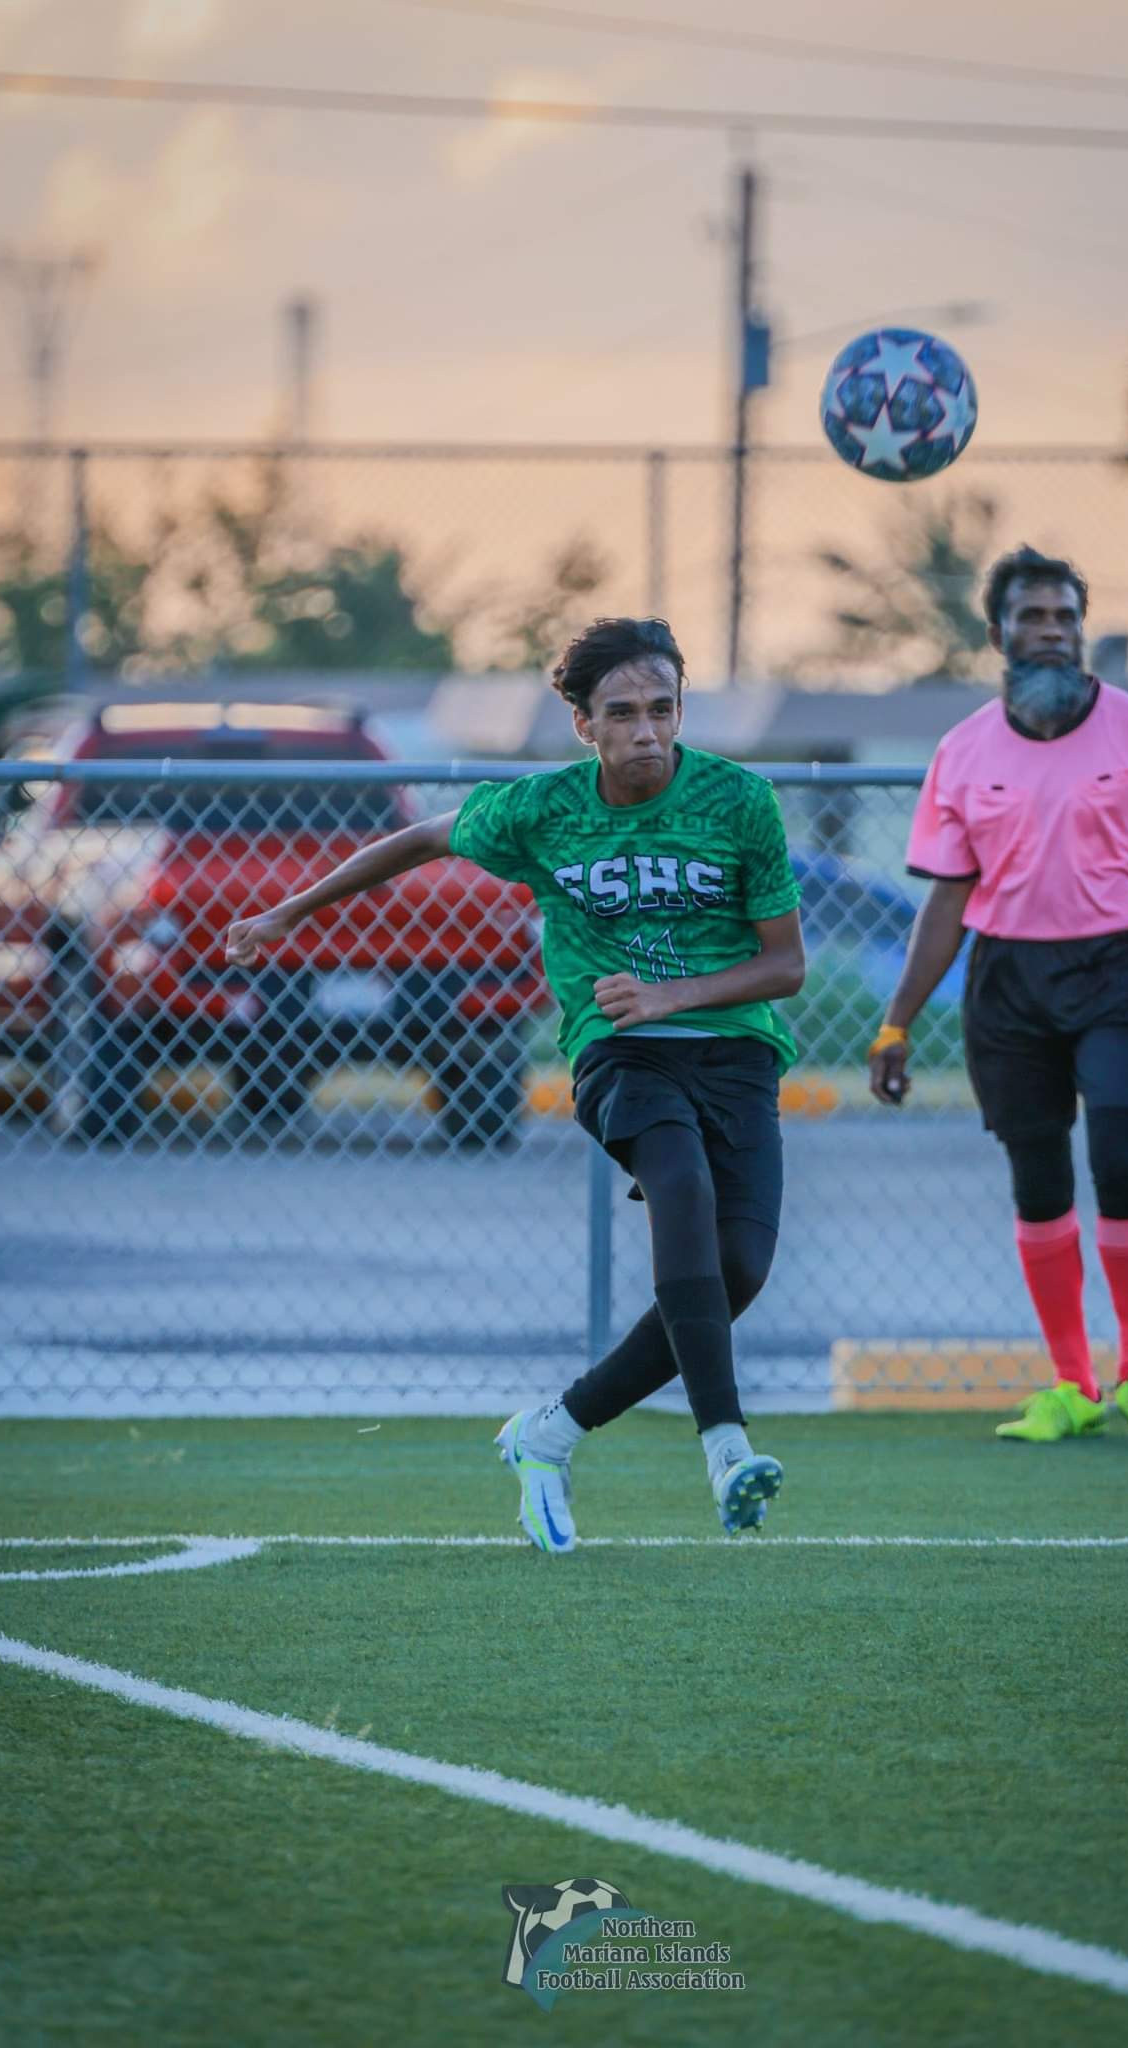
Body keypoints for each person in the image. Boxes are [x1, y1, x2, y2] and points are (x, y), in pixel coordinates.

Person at [225, 617, 805, 1545]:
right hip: (620, 1051)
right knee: (681, 1188)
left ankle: (551, 1430)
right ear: (583, 725)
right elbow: (418, 840)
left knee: (736, 1271)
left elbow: (784, 967)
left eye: (663, 709)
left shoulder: (739, 802)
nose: (646, 731)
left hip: (733, 1051)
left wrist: (674, 992)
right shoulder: (543, 808)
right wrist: (286, 913)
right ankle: (726, 1449)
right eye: (621, 713)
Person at [868, 546, 1128, 1445]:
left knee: (1118, 1156)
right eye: (1034, 617)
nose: (1053, 632)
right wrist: (893, 1025)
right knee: (1037, 1178)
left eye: (1066, 616)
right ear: (998, 634)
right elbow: (945, 902)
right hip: (1008, 983)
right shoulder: (960, 752)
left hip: (1117, 972)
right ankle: (1072, 1386)